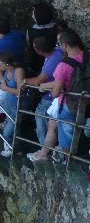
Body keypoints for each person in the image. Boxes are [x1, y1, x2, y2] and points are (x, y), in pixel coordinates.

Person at [35, 29, 89, 164]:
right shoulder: (88, 56)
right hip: (87, 101)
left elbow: (55, 93)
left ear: (64, 45)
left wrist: (46, 87)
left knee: (67, 137)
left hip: (68, 106)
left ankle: (69, 162)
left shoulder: (63, 65)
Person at [20, 36, 63, 149]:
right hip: (53, 93)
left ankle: (44, 149)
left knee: (41, 117)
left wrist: (24, 81)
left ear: (39, 51)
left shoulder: (52, 60)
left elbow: (39, 81)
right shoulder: (58, 51)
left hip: (51, 95)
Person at [0, 51, 26, 157]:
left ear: (6, 63)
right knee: (13, 128)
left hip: (18, 105)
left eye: (0, 62)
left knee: (7, 132)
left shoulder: (18, 71)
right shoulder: (7, 68)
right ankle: (17, 149)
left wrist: (5, 88)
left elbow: (19, 92)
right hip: (10, 102)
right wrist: (3, 80)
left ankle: (13, 149)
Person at [24, 2, 59, 76]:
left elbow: (29, 48)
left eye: (33, 14)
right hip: (56, 63)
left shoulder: (30, 32)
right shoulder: (58, 30)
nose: (32, 16)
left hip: (37, 65)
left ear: (38, 16)